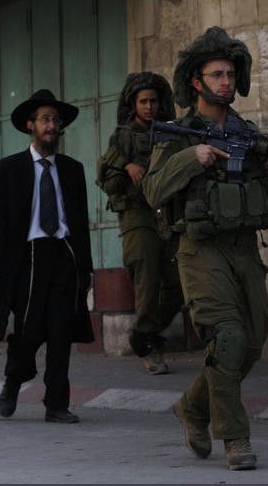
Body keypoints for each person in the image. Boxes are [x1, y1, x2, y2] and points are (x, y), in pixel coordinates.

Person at [142, 26, 268, 471]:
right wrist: (195, 157)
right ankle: (235, 437)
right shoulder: (178, 132)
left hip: (244, 248)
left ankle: (192, 407)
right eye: (217, 74)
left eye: (231, 73)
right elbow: (152, 190)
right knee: (226, 336)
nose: (226, 81)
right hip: (199, 247)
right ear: (196, 81)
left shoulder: (250, 134)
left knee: (252, 340)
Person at [0, 89, 94, 424]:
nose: (52, 126)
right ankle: (14, 381)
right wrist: (0, 271)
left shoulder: (72, 169)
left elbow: (80, 223)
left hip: (63, 255)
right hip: (26, 258)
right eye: (45, 119)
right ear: (30, 125)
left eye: (56, 120)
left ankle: (56, 404)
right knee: (28, 331)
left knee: (60, 332)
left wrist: (85, 270)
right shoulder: (10, 168)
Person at [97, 72, 184, 375]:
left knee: (180, 278)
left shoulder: (171, 132)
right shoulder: (122, 136)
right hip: (136, 215)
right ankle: (152, 349)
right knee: (146, 279)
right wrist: (126, 164)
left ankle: (143, 332)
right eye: (143, 101)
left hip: (168, 215)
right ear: (134, 105)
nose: (149, 107)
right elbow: (106, 181)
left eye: (153, 101)